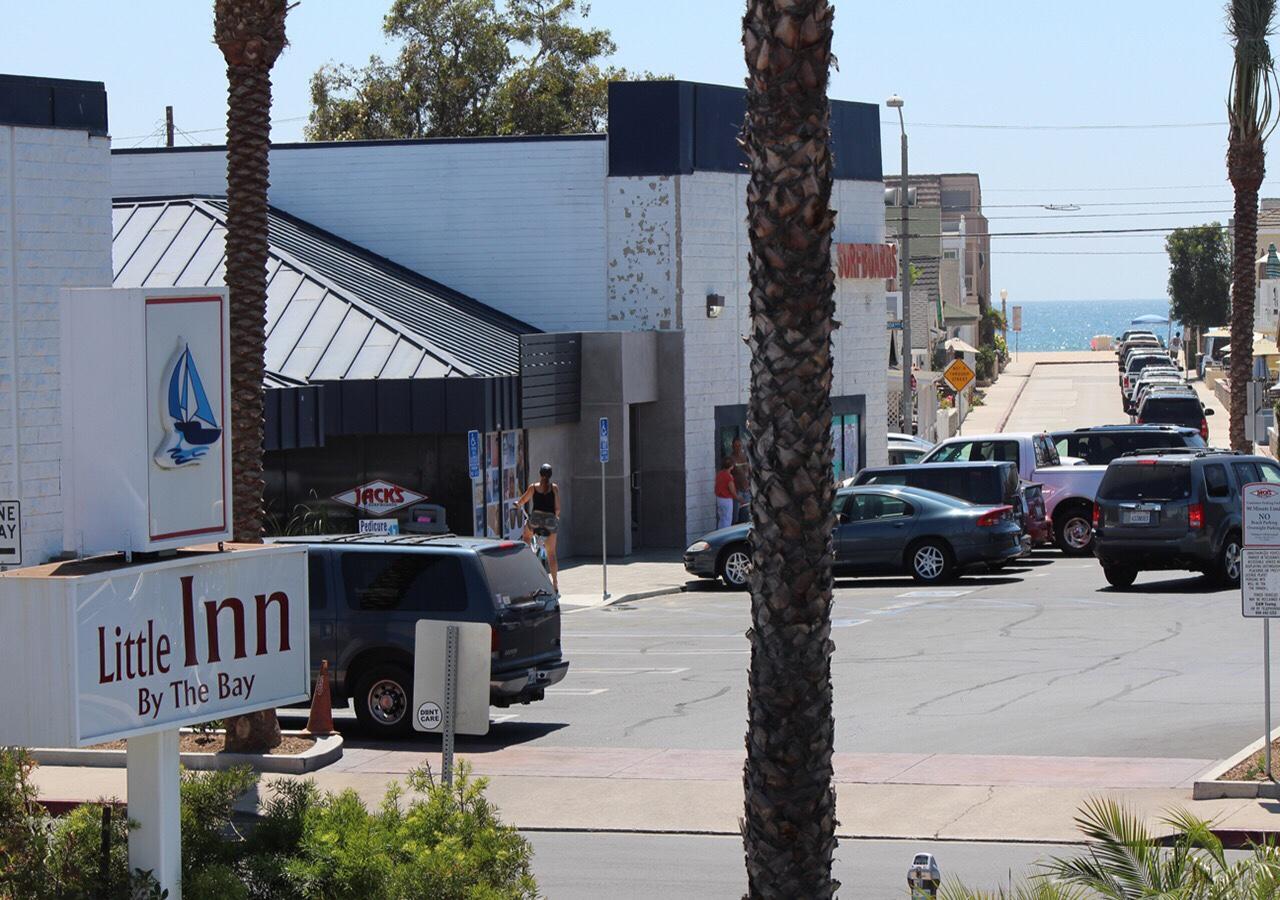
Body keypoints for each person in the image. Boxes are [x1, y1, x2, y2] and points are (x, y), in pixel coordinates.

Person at [518, 463, 561, 591]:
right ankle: (555, 583)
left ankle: (528, 555)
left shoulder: (533, 487)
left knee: (526, 536)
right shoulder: (554, 488)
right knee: (552, 554)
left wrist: (518, 504)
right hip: (550, 523)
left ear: (540, 474)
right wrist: (555, 517)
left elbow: (523, 500)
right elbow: (558, 508)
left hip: (535, 521)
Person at [714, 457, 741, 530]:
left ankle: (719, 534)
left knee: (722, 519)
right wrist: (740, 499)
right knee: (727, 519)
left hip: (719, 498)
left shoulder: (719, 474)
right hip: (726, 500)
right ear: (731, 466)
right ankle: (725, 536)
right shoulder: (729, 477)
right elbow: (732, 491)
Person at [730, 437, 751, 523]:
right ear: (732, 447)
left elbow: (750, 471)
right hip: (737, 491)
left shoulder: (746, 457)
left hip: (747, 490)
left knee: (746, 515)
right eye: (736, 446)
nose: (738, 448)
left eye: (739, 446)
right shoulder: (731, 459)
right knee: (735, 516)